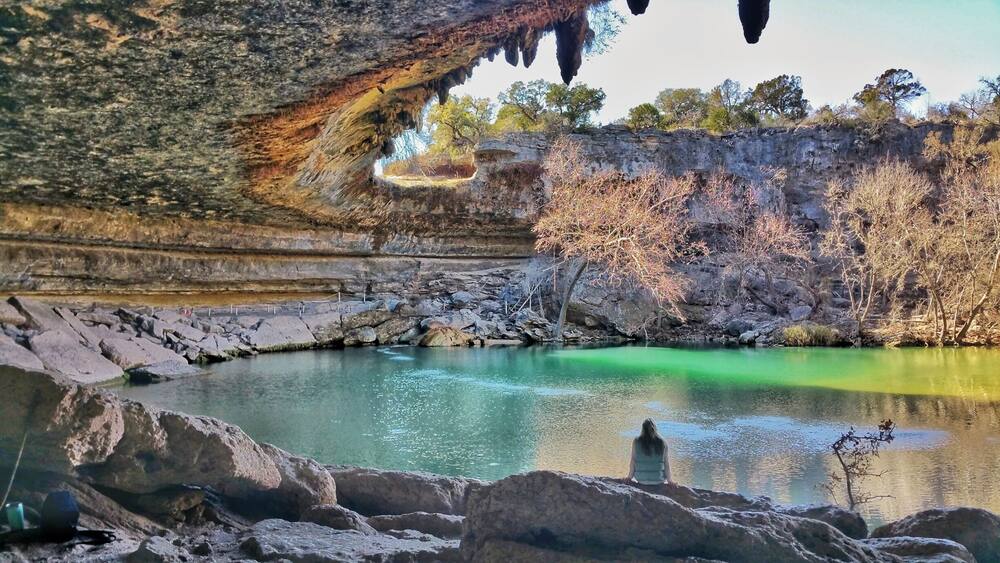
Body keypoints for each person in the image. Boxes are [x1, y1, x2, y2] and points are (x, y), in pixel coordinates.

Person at [626, 418, 673, 485]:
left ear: (643, 429)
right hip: (658, 480)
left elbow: (633, 460)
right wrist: (670, 480)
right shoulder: (662, 442)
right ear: (655, 429)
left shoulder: (636, 441)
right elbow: (666, 464)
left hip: (641, 479)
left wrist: (629, 477)